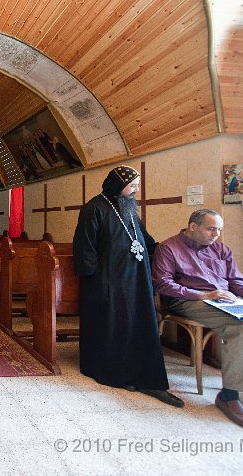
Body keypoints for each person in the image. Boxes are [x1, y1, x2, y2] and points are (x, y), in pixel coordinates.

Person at [152, 209, 243, 430]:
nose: (216, 234)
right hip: (188, 301)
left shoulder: (222, 249)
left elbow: (237, 283)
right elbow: (163, 284)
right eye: (211, 229)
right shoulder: (169, 248)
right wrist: (202, 295)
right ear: (192, 227)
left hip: (227, 301)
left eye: (219, 230)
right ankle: (229, 395)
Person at [73, 165, 183, 407]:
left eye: (136, 186)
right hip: (107, 280)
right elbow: (85, 246)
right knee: (114, 324)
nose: (135, 190)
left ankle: (141, 372)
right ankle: (114, 372)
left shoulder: (130, 208)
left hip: (136, 278)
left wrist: (164, 251)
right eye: (131, 185)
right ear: (116, 184)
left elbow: (143, 237)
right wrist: (93, 280)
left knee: (138, 323)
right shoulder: (94, 208)